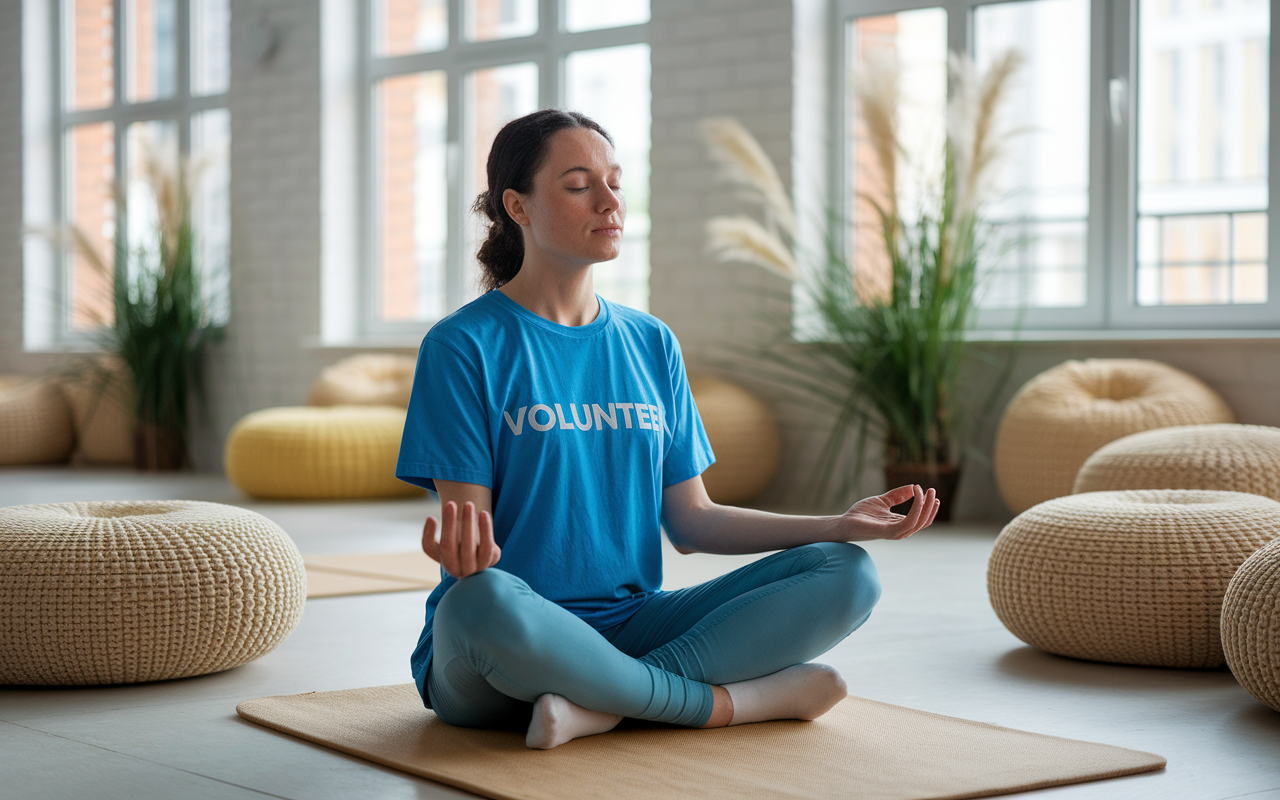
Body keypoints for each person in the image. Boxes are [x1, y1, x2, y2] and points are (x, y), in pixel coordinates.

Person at [396, 108, 940, 750]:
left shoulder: (650, 342)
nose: (609, 202)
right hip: (505, 639)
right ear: (518, 206)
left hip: (631, 621)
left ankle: (599, 705)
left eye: (615, 183)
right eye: (578, 186)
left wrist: (837, 525)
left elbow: (692, 521)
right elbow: (472, 540)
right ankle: (728, 704)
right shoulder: (463, 346)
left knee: (847, 572)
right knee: (479, 599)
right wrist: (469, 559)